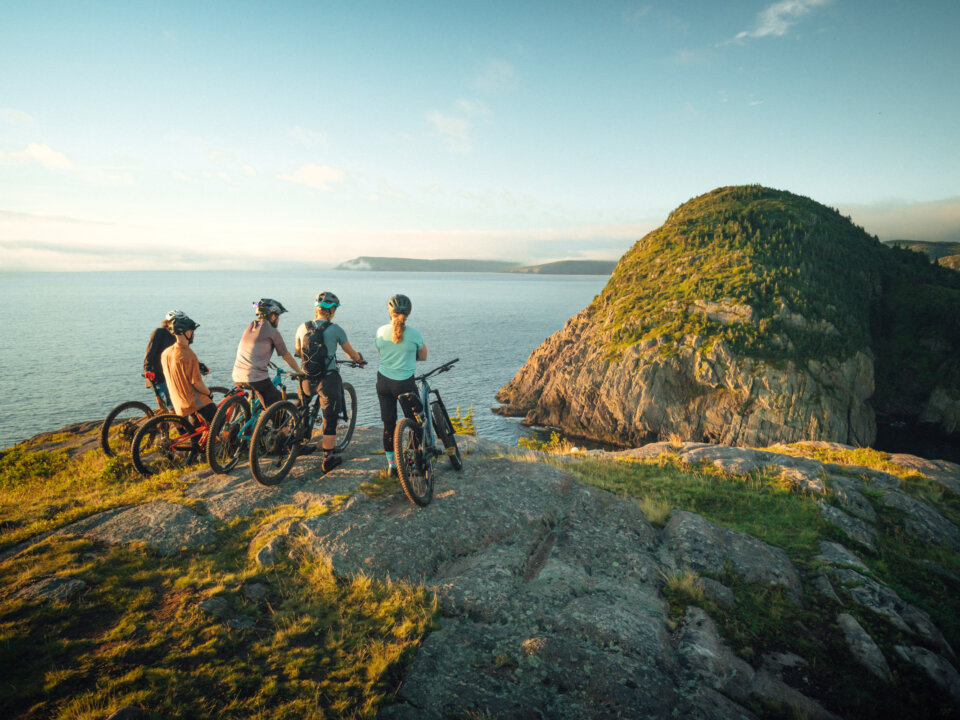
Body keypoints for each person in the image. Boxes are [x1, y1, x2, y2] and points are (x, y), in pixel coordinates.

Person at [294, 291, 365, 471]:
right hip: (327, 378)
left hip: (306, 378)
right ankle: (328, 459)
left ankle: (293, 442)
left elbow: (297, 351)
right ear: (331, 310)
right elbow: (351, 353)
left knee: (301, 409)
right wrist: (358, 359)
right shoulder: (336, 329)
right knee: (329, 417)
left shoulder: (302, 327)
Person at [374, 294, 427, 477]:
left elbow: (381, 351)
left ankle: (392, 467)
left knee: (389, 425)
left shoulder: (380, 331)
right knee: (416, 423)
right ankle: (413, 462)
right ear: (409, 313)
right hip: (404, 383)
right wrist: (410, 355)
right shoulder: (415, 333)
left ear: (390, 312)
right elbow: (424, 356)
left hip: (383, 383)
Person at [232, 298, 302, 409]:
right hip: (255, 378)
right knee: (279, 406)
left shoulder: (250, 326)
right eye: (278, 316)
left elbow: (253, 350)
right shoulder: (272, 331)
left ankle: (251, 423)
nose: (278, 320)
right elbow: (286, 356)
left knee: (258, 401)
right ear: (273, 316)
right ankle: (283, 426)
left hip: (237, 376)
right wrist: (299, 372)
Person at [160, 315, 217, 425]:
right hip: (193, 402)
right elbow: (197, 383)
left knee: (197, 432)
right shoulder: (188, 354)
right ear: (187, 333)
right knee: (221, 422)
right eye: (192, 331)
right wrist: (209, 393)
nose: (193, 334)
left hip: (178, 402)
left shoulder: (166, 353)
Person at [143, 310, 183, 407]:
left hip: (170, 376)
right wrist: (147, 369)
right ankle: (174, 420)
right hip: (156, 376)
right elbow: (150, 353)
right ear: (168, 322)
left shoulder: (178, 337)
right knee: (172, 405)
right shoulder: (159, 333)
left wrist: (199, 365)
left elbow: (184, 355)